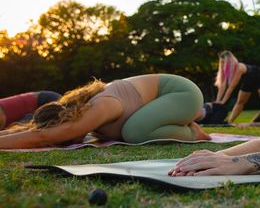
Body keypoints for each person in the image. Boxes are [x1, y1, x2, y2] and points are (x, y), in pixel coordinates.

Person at [0, 74, 210, 149]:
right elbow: (32, 130)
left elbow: (42, 136)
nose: (67, 141)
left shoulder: (98, 107)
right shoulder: (81, 114)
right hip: (161, 102)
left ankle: (194, 133)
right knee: (134, 129)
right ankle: (183, 122)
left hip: (181, 92)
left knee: (135, 133)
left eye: (64, 137)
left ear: (66, 122)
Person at [214, 51, 260, 123]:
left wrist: (223, 101)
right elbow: (223, 85)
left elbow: (231, 87)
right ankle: (229, 121)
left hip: (259, 75)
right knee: (240, 101)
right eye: (222, 62)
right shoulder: (225, 71)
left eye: (224, 62)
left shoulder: (239, 67)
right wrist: (217, 101)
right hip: (248, 81)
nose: (223, 64)